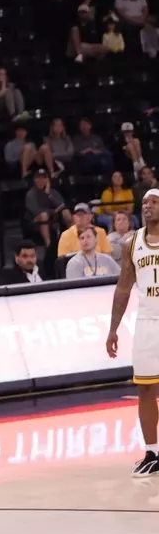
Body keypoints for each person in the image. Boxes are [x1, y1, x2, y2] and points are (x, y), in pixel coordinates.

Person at [108, 188, 159, 476]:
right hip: (148, 323)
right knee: (146, 388)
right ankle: (153, 451)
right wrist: (113, 329)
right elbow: (123, 287)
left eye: (153, 202)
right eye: (144, 203)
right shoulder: (132, 242)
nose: (147, 207)